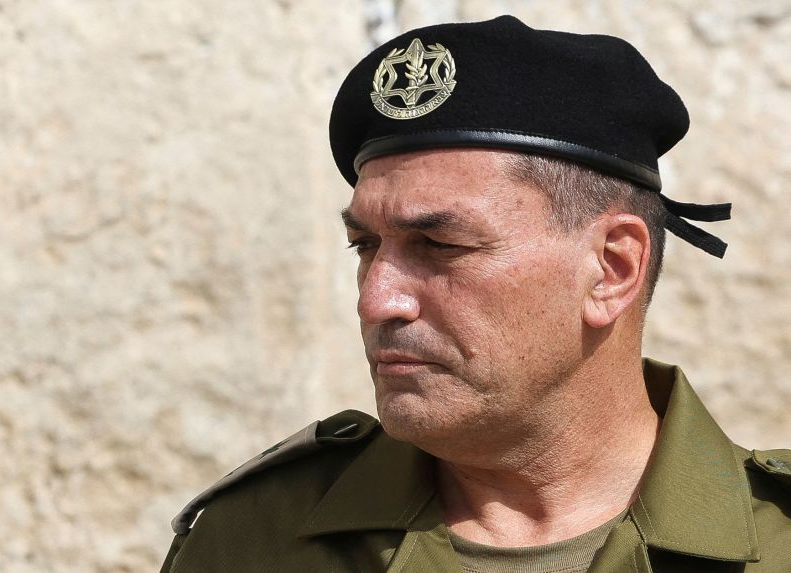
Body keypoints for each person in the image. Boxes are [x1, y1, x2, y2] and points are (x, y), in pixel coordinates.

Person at [161, 15, 791, 572]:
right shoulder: (253, 541)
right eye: (366, 246)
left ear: (612, 268)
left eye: (439, 246)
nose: (377, 299)